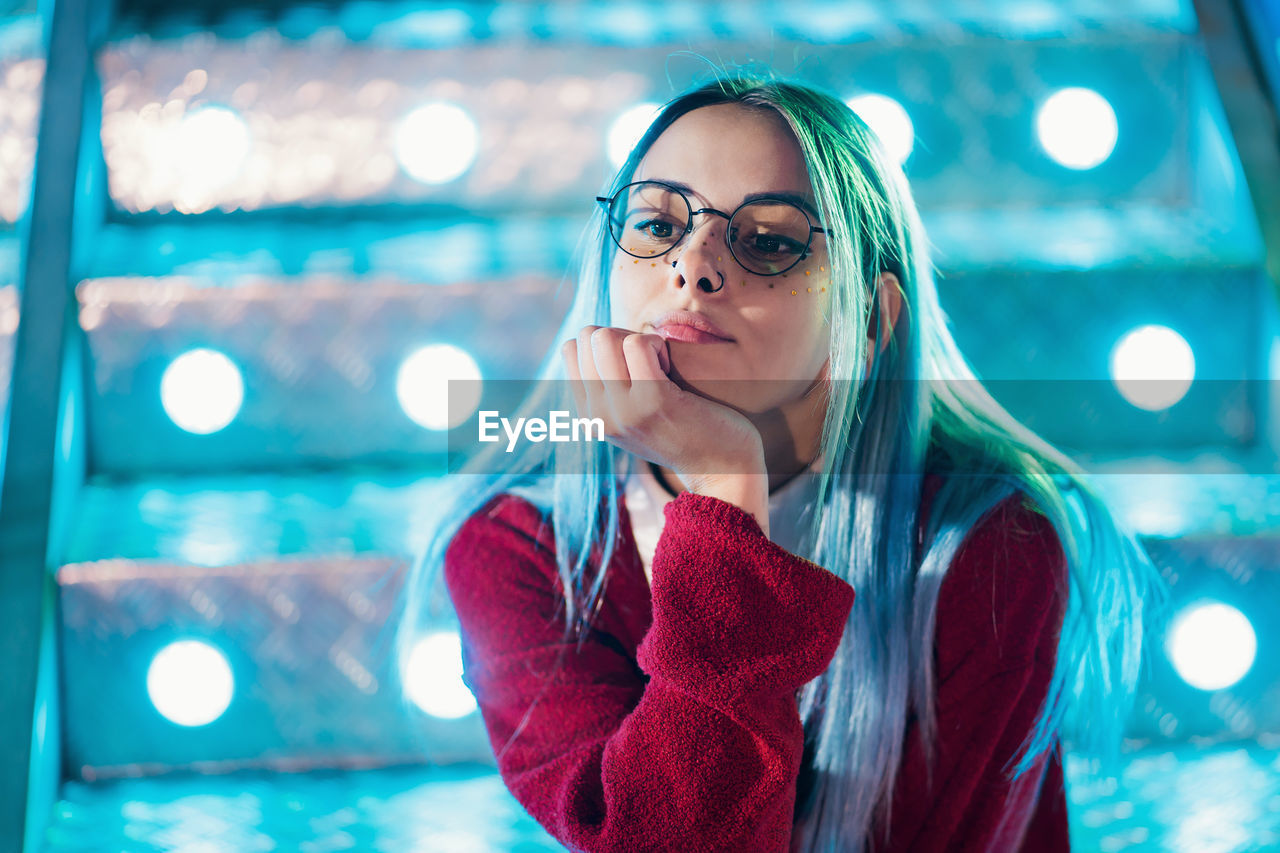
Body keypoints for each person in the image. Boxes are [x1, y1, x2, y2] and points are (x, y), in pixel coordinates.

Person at [394, 67, 1168, 852]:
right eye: (658, 224)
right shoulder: (520, 548)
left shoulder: (990, 545)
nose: (692, 264)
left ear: (871, 319)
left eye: (768, 242)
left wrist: (725, 497)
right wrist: (727, 489)